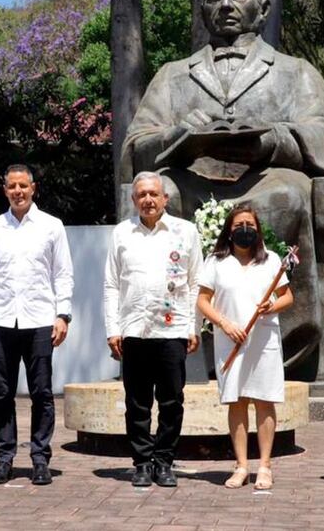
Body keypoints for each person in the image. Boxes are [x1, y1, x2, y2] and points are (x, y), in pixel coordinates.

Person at [120, 0, 324, 382]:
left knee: (289, 197)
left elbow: (319, 135)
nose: (226, 4)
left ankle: (280, 341)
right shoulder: (173, 76)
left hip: (269, 178)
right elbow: (138, 143)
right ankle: (174, 342)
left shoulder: (296, 71)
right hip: (194, 180)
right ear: (202, 8)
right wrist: (180, 134)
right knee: (164, 196)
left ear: (263, 9)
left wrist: (270, 140)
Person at [0, 164, 74, 486]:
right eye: (12, 186)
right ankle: (4, 458)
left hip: (40, 319)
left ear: (34, 188)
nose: (18, 191)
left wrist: (63, 315)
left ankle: (40, 459)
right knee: (2, 393)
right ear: (5, 190)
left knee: (42, 392)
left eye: (23, 186)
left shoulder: (51, 226)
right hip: (0, 320)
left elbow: (63, 273)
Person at [103, 171, 202, 487]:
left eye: (153, 194)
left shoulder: (185, 232)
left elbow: (196, 281)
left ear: (164, 199)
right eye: (141, 194)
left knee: (172, 401)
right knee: (137, 402)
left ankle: (165, 462)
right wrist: (112, 329)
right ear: (134, 200)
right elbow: (111, 284)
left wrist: (194, 327)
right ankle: (142, 463)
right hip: (134, 330)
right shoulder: (122, 234)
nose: (147, 199)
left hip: (172, 330)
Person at [196, 204, 293, 490]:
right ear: (229, 230)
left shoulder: (272, 260)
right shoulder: (215, 261)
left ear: (258, 229)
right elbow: (202, 301)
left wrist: (271, 306)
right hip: (230, 340)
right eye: (239, 225)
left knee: (264, 400)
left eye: (250, 224)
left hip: (263, 341)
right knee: (236, 402)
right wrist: (225, 324)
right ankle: (241, 466)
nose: (245, 229)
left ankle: (264, 466)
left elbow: (287, 297)